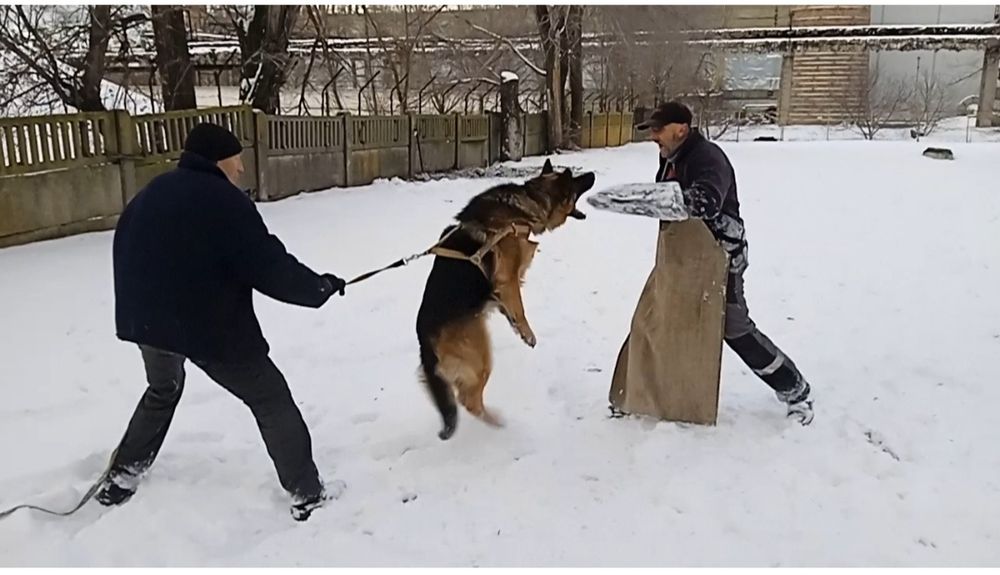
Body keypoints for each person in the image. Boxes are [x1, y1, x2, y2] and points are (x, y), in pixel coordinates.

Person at [101, 122, 348, 521]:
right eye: (237, 159)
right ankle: (306, 492)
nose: (242, 168)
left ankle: (121, 477)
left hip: (149, 323)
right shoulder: (225, 202)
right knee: (270, 398)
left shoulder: (152, 192)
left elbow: (126, 248)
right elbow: (267, 265)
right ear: (219, 159)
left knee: (163, 388)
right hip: (204, 327)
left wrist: (142, 312)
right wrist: (317, 288)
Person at [635, 101, 814, 425]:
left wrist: (646, 200)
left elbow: (706, 202)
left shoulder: (707, 158)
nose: (653, 137)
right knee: (660, 319)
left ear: (681, 129)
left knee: (734, 327)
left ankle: (795, 389)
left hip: (721, 256)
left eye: (658, 130)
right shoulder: (670, 159)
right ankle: (653, 397)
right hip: (684, 256)